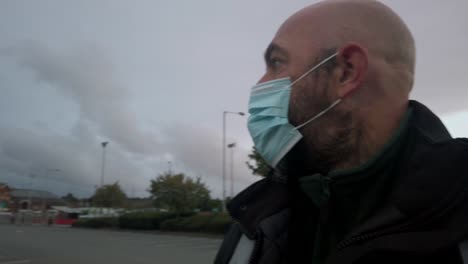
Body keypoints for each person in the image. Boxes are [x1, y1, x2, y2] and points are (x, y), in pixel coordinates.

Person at [214, 0, 468, 263]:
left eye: (277, 62)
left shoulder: (458, 225)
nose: (260, 83)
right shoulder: (253, 224)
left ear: (346, 72)